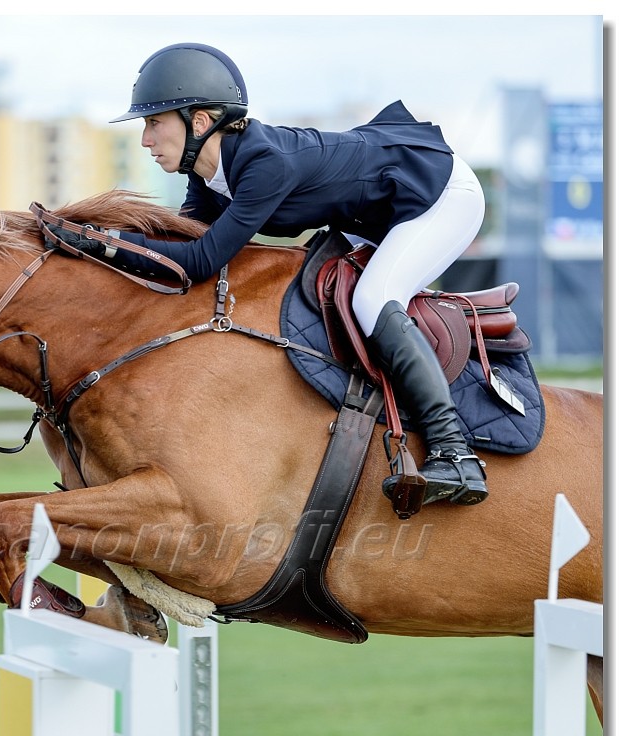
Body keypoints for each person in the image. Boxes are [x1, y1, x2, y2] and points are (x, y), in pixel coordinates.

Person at [48, 42, 488, 507]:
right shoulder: (207, 177)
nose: (145, 140)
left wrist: (103, 241)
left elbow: (200, 260)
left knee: (373, 298)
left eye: (155, 123)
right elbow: (177, 249)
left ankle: (455, 453)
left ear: (200, 122)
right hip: (374, 214)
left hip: (439, 193)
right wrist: (98, 244)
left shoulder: (264, 164)